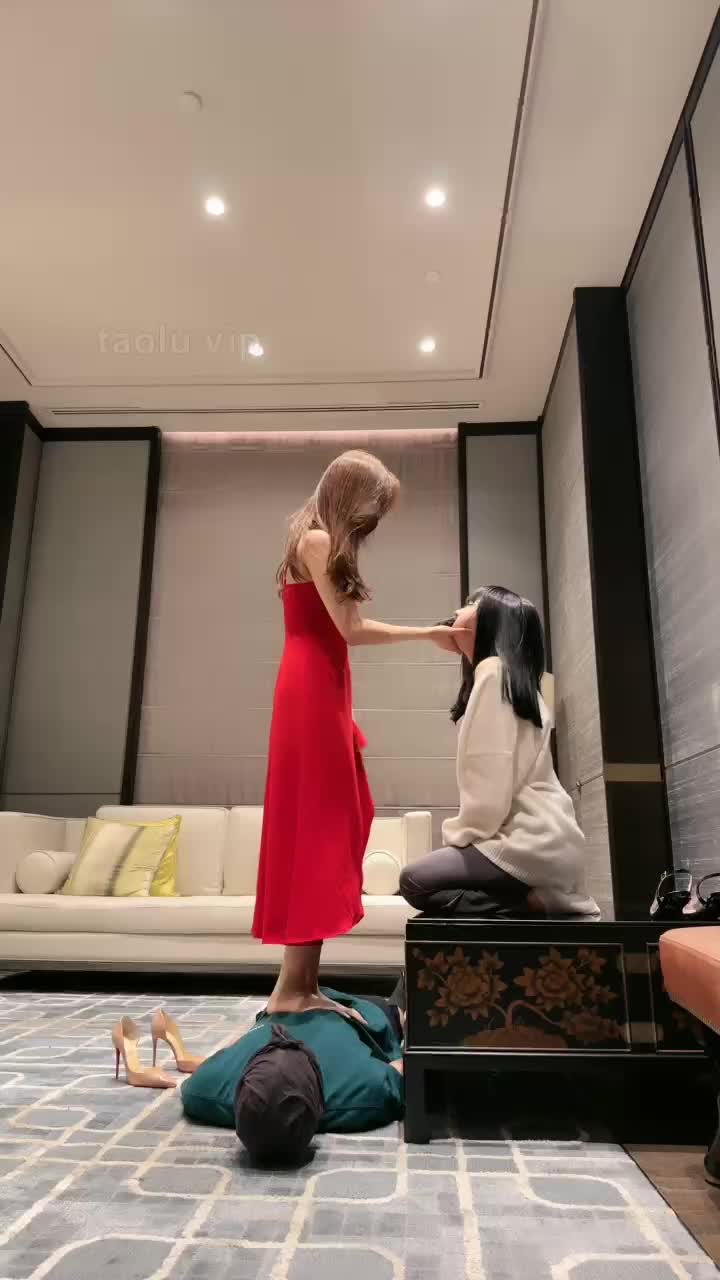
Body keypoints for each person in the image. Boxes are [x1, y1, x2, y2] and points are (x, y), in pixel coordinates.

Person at [252, 450, 460, 1016]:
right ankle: (292, 990)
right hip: (312, 692)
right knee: (319, 827)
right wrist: (428, 634)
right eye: (373, 509)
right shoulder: (318, 541)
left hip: (322, 688)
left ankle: (301, 986)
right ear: (351, 498)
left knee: (335, 820)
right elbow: (349, 628)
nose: (373, 522)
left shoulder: (313, 540)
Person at [399, 585, 599, 918]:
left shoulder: (493, 674)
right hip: (550, 838)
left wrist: (461, 836)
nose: (458, 610)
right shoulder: (510, 679)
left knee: (414, 882)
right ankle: (540, 898)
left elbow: (488, 782)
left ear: (492, 621)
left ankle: (544, 901)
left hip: (528, 840)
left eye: (471, 604)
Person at [181, 988, 405, 1165]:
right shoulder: (362, 1093)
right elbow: (403, 1066)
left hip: (292, 1000)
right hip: (357, 1012)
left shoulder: (205, 1089)